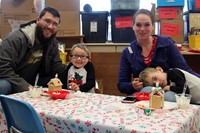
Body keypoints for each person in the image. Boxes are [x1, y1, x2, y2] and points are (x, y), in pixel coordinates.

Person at [117, 9, 200, 100]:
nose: (142, 29)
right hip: (143, 97)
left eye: (147, 25)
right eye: (138, 25)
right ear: (132, 26)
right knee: (148, 90)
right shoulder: (128, 52)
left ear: (153, 26)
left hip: (170, 93)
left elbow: (185, 71)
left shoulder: (166, 44)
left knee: (166, 96)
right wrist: (132, 86)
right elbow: (121, 84)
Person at [0, 7, 68, 94]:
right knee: (3, 86)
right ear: (38, 20)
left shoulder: (52, 42)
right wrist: (26, 87)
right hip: (8, 79)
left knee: (63, 80)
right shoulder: (15, 39)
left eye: (55, 24)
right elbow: (3, 68)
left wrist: (74, 68)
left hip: (29, 81)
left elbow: (55, 67)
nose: (50, 26)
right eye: (47, 21)